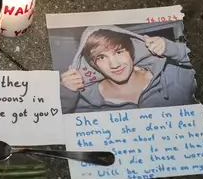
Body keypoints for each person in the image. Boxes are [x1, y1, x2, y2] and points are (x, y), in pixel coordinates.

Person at [59, 25, 196, 113]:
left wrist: (175, 50)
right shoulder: (84, 102)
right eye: (101, 57)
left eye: (119, 52)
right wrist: (65, 95)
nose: (114, 65)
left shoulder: (172, 76)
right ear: (93, 64)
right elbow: (51, 130)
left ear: (131, 51)